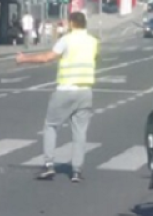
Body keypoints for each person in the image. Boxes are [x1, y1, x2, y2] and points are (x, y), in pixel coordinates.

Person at [16, 10, 97, 183]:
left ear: (73, 23)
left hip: (66, 89)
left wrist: (24, 59)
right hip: (85, 92)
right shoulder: (93, 42)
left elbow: (47, 57)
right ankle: (76, 171)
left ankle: (48, 165)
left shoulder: (66, 40)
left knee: (51, 126)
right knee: (80, 132)